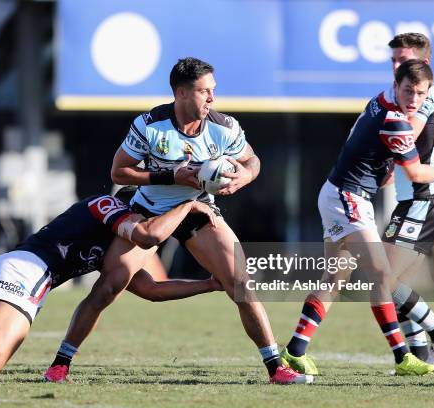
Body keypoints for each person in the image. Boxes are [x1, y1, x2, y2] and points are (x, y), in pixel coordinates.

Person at [102, 57, 311, 384]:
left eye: (213, 90)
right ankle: (61, 363)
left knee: (242, 284)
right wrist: (172, 175)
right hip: (150, 210)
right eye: (204, 91)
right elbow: (119, 171)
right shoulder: (150, 125)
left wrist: (245, 175)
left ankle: (275, 368)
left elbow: (252, 160)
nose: (212, 98)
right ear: (181, 93)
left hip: (199, 209)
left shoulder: (224, 127)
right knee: (109, 286)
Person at [0, 188, 222, 382]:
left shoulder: (118, 253)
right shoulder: (109, 205)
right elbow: (145, 233)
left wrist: (209, 285)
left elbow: (151, 289)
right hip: (26, 270)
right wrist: (186, 206)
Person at [280, 60, 434, 376]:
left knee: (334, 279)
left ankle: (295, 350)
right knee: (382, 275)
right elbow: (415, 173)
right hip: (348, 197)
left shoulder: (378, 100)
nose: (414, 99)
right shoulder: (397, 123)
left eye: (420, 94)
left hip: (338, 193)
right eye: (408, 91)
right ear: (396, 85)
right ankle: (403, 357)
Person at [381, 33, 434, 367]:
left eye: (404, 60)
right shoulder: (400, 95)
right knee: (387, 280)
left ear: (424, 66)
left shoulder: (428, 94)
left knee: (383, 278)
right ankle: (418, 352)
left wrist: (379, 149)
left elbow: (408, 132)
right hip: (411, 200)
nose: (397, 66)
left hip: (425, 198)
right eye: (394, 60)